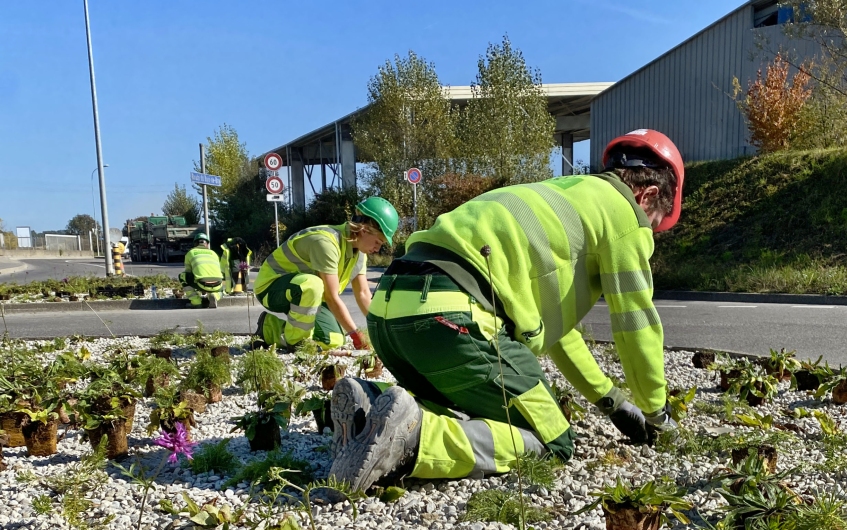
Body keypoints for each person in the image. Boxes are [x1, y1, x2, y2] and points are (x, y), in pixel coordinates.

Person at [330, 128, 684, 492]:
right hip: (449, 321)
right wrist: (656, 412)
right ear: (647, 195)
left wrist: (613, 402)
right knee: (553, 441)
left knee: (475, 412)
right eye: (655, 224)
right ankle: (418, 438)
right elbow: (635, 323)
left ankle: (368, 408)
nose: (649, 235)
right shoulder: (625, 216)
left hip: (392, 314)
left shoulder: (565, 196)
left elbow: (561, 336)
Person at [253, 197, 399, 351]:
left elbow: (363, 294)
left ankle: (269, 328)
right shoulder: (326, 242)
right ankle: (297, 343)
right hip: (272, 288)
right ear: (364, 230)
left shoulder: (359, 253)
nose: (377, 249)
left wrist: (382, 331)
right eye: (378, 242)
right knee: (312, 284)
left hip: (308, 296)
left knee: (333, 340)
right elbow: (331, 297)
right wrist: (356, 335)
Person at [179, 231, 223, 308]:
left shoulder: (190, 253)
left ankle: (196, 301)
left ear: (195, 243)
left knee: (183, 276)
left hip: (202, 283)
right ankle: (215, 295)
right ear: (207, 244)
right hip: (218, 283)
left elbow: (188, 272)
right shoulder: (214, 253)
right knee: (220, 287)